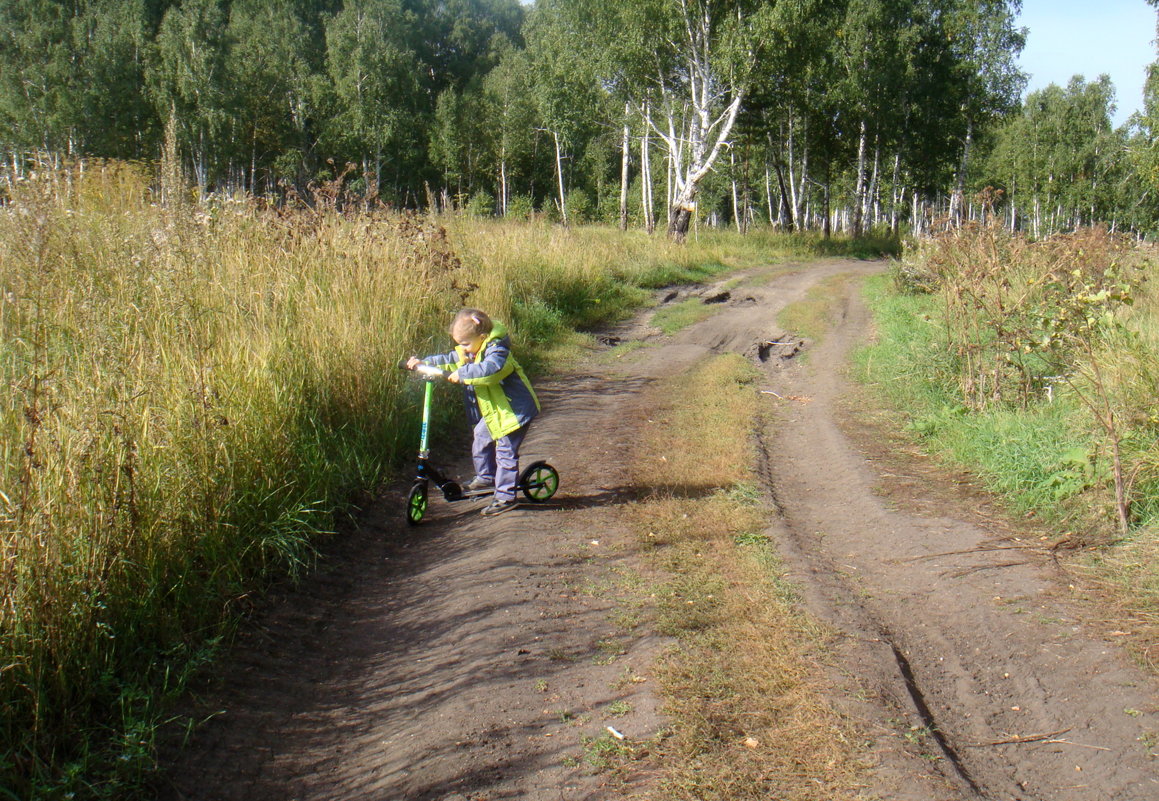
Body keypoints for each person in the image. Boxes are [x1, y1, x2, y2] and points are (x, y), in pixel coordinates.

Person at [407, 308, 540, 515]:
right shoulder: (470, 350)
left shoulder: (498, 353)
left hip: (514, 412)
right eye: (460, 343)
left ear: (483, 337)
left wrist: (462, 374)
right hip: (497, 412)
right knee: (480, 435)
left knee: (505, 451)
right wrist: (425, 362)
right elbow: (451, 358)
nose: (463, 349)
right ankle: (486, 477)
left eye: (466, 343)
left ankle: (506, 496)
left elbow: (490, 370)